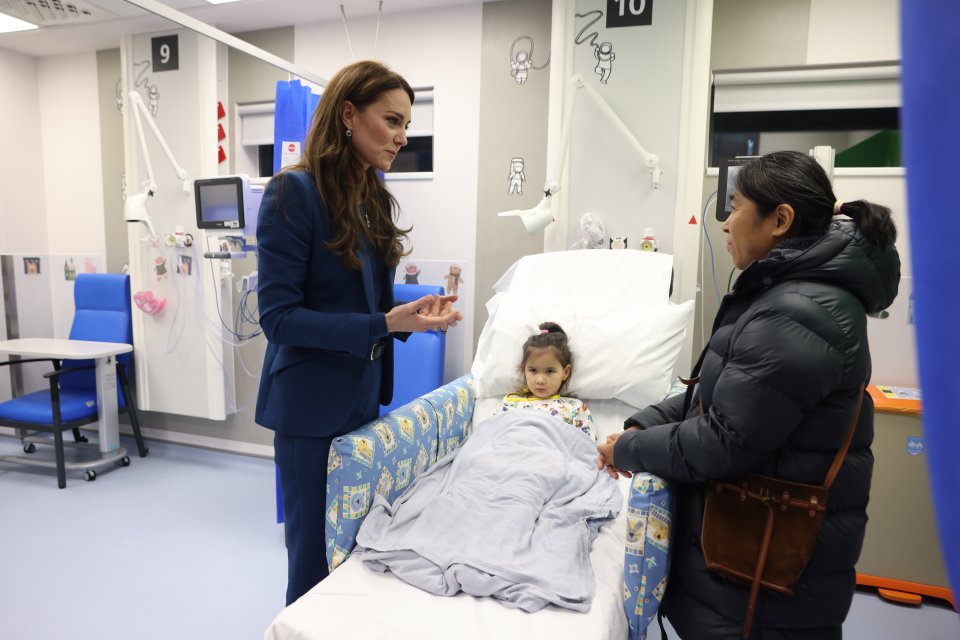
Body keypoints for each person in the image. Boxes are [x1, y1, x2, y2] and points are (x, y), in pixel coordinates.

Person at [597, 150, 900, 639]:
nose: (724, 223)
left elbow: (724, 439)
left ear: (780, 220)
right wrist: (642, 422)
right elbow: (718, 395)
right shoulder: (785, 293)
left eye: (734, 206)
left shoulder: (799, 312)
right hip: (749, 572)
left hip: (759, 586)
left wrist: (629, 449)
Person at [255, 60, 462, 607]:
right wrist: (383, 323)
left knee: (348, 552)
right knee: (312, 561)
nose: (400, 137)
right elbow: (278, 319)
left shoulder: (370, 198)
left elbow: (360, 302)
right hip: (309, 411)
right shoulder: (291, 194)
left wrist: (408, 313)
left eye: (406, 127)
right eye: (391, 121)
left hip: (362, 400)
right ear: (349, 114)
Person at [493, 322, 595, 442]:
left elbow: (587, 447)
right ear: (524, 369)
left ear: (565, 372)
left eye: (550, 371)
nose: (540, 380)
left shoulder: (574, 408)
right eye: (533, 370)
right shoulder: (509, 403)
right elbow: (492, 436)